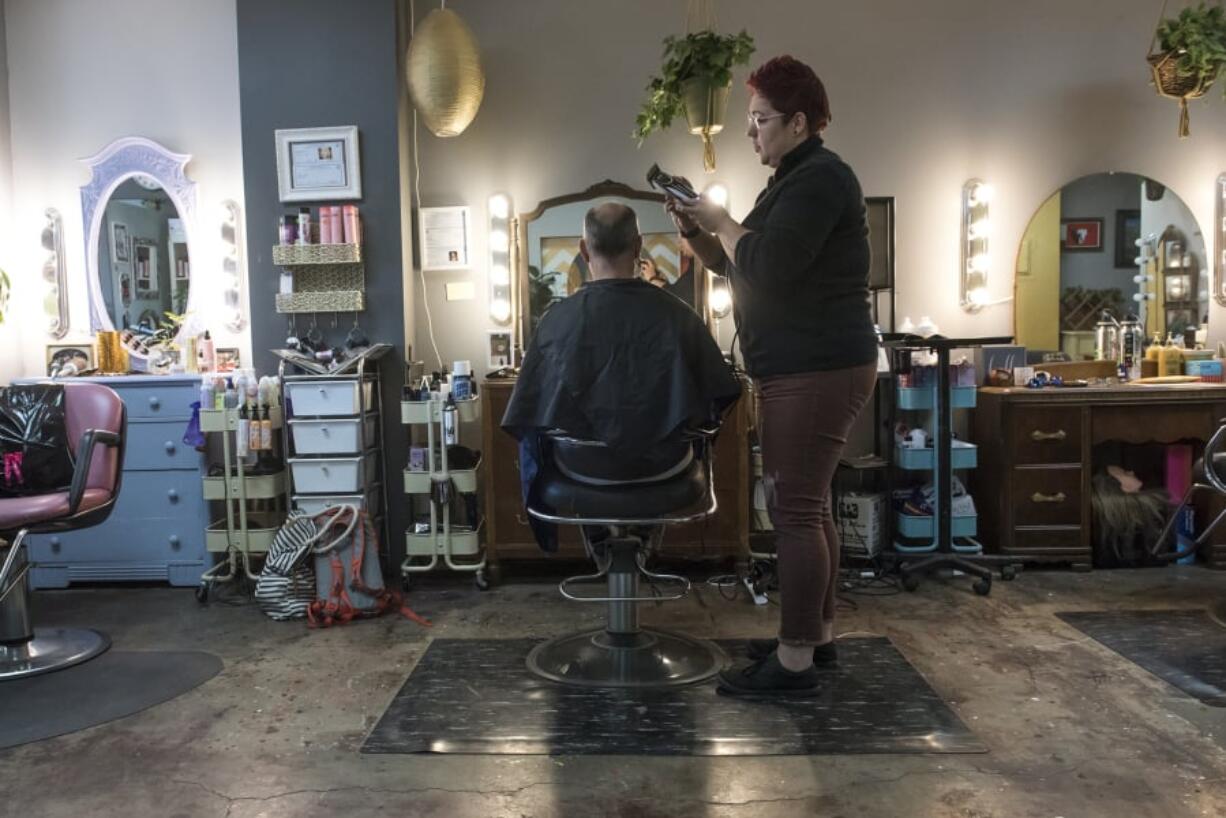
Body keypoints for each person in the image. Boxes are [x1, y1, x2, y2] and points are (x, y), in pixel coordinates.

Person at [667, 55, 878, 697]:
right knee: (808, 511)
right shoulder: (791, 179)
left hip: (816, 368)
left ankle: (793, 663)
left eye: (759, 120)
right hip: (805, 366)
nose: (751, 132)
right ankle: (816, 639)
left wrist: (724, 221)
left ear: (798, 121)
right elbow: (742, 267)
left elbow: (773, 264)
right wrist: (697, 230)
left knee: (793, 511)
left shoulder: (820, 180)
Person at [502, 203, 740, 551]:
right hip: (664, 469)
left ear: (584, 250)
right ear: (639, 246)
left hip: (580, 470)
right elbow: (716, 401)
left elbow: (530, 415)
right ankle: (644, 539)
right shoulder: (679, 316)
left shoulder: (556, 321)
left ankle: (599, 537)